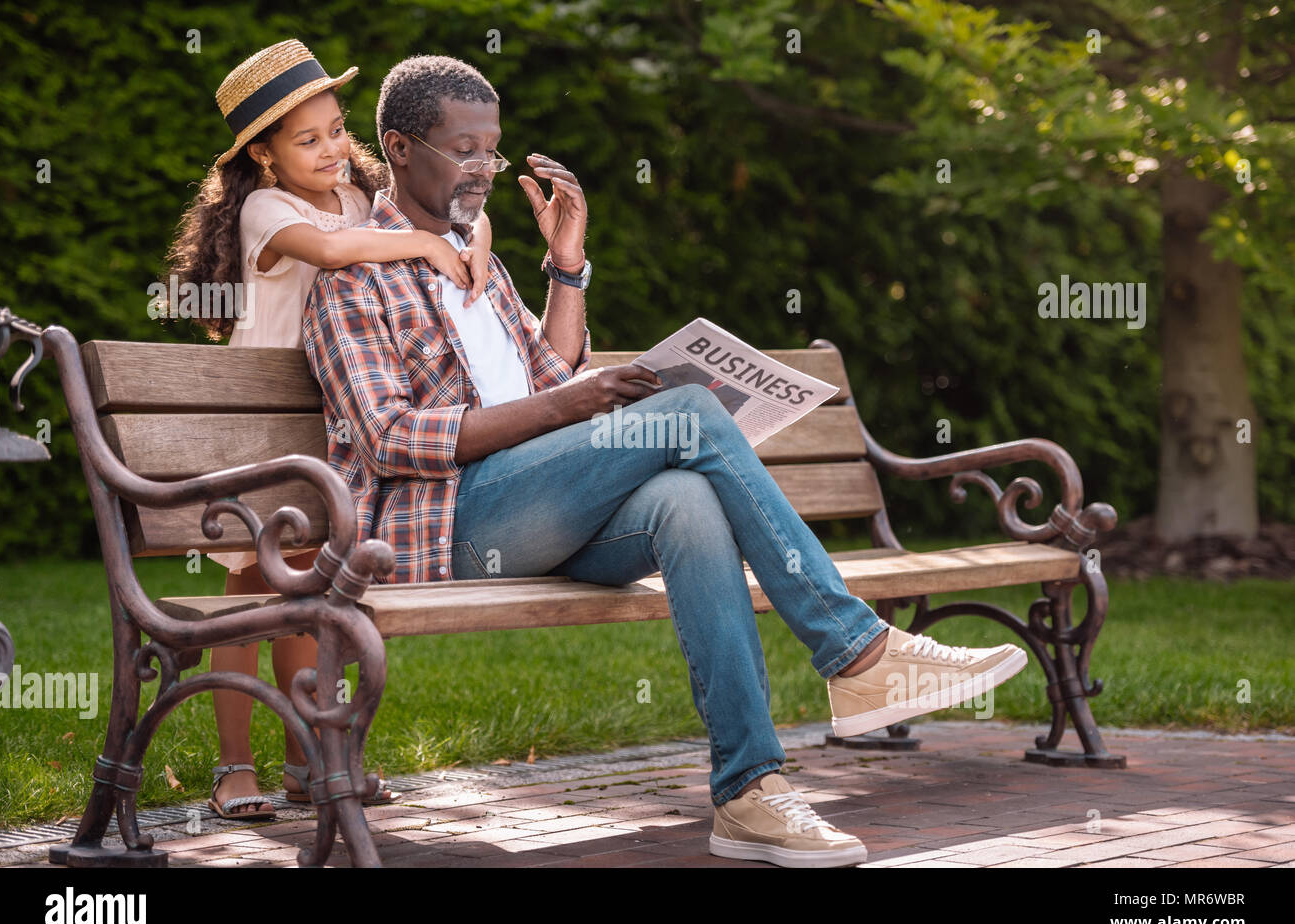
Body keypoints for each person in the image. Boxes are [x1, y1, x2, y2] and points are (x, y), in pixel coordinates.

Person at [303, 54, 1028, 867]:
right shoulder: (352, 274)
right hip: (443, 526)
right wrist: (573, 406)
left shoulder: (481, 259)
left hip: (534, 505)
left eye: (493, 151)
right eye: (462, 150)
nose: (483, 169)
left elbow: (549, 377)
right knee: (684, 415)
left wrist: (567, 266)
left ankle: (750, 791)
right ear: (399, 149)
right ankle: (856, 652)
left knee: (687, 497)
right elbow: (391, 437)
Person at [163, 39, 495, 820]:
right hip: (262, 427)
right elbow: (338, 250)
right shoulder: (266, 210)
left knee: (313, 592)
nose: (330, 149)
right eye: (305, 140)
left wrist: (468, 238)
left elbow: (440, 216)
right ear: (265, 156)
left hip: (333, 420)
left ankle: (313, 759)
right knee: (251, 587)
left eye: (336, 129)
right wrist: (422, 242)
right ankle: (233, 765)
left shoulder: (357, 197)